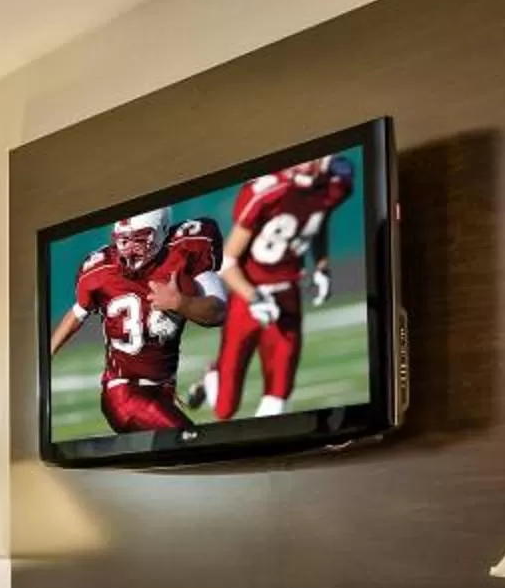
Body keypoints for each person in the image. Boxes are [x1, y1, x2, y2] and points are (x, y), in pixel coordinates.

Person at [196, 154, 356, 419]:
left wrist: (322, 265)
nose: (304, 163)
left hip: (288, 295)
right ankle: (214, 374)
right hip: (248, 298)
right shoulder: (267, 192)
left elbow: (317, 218)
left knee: (278, 399)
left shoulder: (333, 185)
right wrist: (253, 297)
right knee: (224, 410)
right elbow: (227, 261)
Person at [46, 209, 226, 434]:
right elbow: (77, 313)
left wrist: (180, 303)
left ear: (161, 232)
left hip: (163, 391)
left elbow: (218, 312)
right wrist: (46, 354)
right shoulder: (100, 271)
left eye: (139, 240)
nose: (129, 250)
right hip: (123, 392)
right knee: (191, 441)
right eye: (123, 241)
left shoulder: (185, 251)